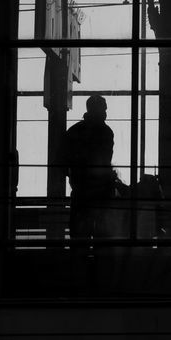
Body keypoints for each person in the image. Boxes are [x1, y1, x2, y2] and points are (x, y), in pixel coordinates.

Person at [60, 94, 117, 246]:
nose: (106, 112)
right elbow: (105, 160)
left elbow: (65, 161)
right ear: (97, 110)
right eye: (104, 109)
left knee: (79, 239)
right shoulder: (105, 132)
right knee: (102, 239)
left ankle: (79, 266)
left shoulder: (74, 131)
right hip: (101, 193)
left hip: (81, 191)